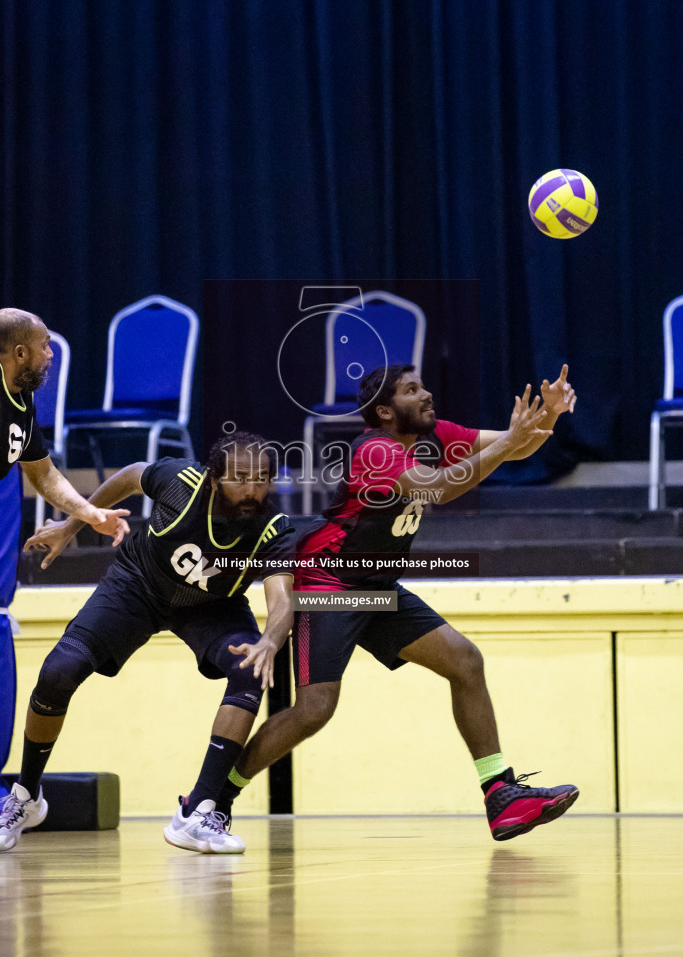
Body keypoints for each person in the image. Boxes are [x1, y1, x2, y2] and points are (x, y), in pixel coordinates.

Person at [217, 364, 580, 841]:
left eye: (424, 384)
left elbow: (517, 444)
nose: (427, 393)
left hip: (377, 585)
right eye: (412, 390)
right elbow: (443, 488)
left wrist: (548, 418)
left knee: (464, 661)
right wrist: (511, 442)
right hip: (329, 581)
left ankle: (500, 796)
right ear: (385, 411)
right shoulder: (375, 450)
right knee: (314, 709)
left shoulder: (437, 434)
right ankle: (215, 797)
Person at [0, 430, 295, 854]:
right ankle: (26, 797)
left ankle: (197, 813)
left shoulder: (274, 527)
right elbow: (134, 474)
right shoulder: (182, 481)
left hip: (211, 607)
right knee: (59, 671)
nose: (253, 488)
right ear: (214, 479)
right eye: (241, 477)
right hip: (137, 585)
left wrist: (269, 639)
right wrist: (73, 523)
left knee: (249, 669)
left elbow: (282, 595)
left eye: (263, 478)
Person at [0, 308, 130, 541]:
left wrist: (90, 513)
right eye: (44, 345)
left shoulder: (23, 396)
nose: (50, 354)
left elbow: (44, 473)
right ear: (20, 354)